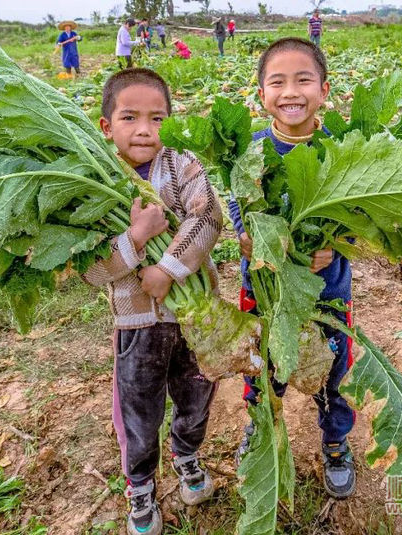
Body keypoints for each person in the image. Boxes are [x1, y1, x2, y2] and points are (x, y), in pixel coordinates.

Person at [84, 68, 222, 535]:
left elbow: (208, 218)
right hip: (137, 326)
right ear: (106, 126)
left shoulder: (182, 165)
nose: (145, 129)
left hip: (196, 318)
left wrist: (168, 269)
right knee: (138, 410)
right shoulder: (90, 182)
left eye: (157, 118)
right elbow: (90, 268)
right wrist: (135, 239)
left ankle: (187, 455)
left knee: (196, 396)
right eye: (129, 117)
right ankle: (140, 485)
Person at [228, 37, 356, 499]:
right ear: (261, 94)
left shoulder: (340, 147)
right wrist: (247, 238)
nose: (291, 92)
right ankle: (262, 427)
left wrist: (338, 246)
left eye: (303, 80)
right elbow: (239, 203)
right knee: (262, 368)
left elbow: (362, 216)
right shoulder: (253, 150)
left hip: (325, 293)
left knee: (334, 372)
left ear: (323, 89)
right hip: (263, 292)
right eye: (277, 82)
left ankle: (335, 440)